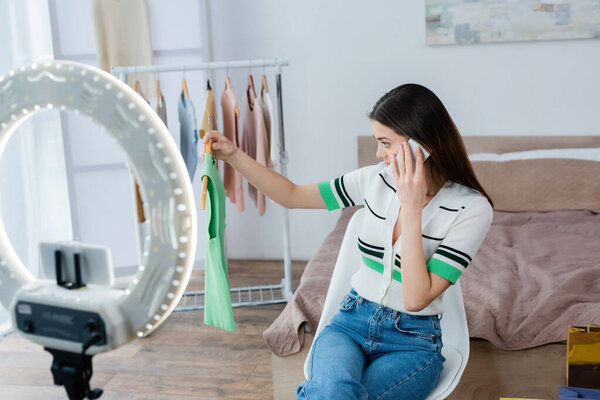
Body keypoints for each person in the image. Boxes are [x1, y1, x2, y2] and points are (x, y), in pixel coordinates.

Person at [203, 83, 494, 400]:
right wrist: (233, 155)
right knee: (332, 392)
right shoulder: (374, 180)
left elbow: (415, 298)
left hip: (413, 343)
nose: (379, 154)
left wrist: (411, 208)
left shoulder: (472, 209)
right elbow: (292, 195)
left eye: (385, 143)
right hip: (349, 324)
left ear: (422, 146)